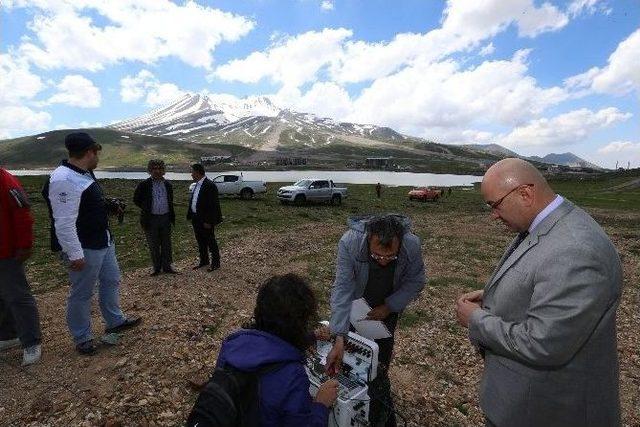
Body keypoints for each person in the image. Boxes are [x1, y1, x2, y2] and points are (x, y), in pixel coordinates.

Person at [455, 158, 622, 427]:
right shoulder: (547, 225)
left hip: (546, 411)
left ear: (525, 193)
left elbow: (545, 344)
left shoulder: (576, 250)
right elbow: (540, 281)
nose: (493, 215)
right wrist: (493, 295)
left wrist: (475, 320)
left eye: (494, 205)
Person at [43, 132, 141, 355]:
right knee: (82, 291)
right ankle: (82, 336)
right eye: (96, 152)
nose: (98, 157)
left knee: (111, 280)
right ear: (90, 152)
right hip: (84, 245)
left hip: (102, 240)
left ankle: (115, 320)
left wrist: (107, 207)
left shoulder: (83, 173)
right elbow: (63, 222)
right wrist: (74, 254)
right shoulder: (63, 179)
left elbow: (85, 206)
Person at [326, 214, 426, 426]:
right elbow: (343, 288)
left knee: (381, 353)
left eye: (390, 257)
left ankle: (377, 392)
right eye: (377, 255)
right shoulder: (349, 243)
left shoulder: (411, 245)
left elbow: (416, 280)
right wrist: (339, 336)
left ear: (399, 243)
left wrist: (390, 306)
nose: (383, 261)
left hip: (386, 308)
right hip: (355, 307)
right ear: (368, 238)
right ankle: (353, 393)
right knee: (348, 348)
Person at [213, 273, 338, 425]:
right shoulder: (292, 376)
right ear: (300, 323)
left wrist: (313, 336)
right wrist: (321, 404)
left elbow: (271, 346)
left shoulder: (231, 345)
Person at [0, 168, 42, 365]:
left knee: (17, 296)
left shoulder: (5, 180)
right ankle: (8, 335)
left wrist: (25, 245)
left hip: (5, 252)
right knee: (3, 296)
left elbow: (22, 213)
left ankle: (31, 342)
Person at [133, 159, 177, 276]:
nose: (157, 171)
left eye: (159, 169)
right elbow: (136, 200)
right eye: (154, 169)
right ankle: (156, 268)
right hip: (150, 219)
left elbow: (170, 200)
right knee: (153, 244)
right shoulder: (144, 185)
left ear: (163, 170)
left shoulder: (168, 185)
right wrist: (147, 208)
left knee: (166, 243)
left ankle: (167, 266)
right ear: (150, 170)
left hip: (165, 218)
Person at [187, 163, 222, 272]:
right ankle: (204, 261)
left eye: (192, 171)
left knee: (210, 241)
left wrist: (209, 221)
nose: (191, 174)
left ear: (197, 172)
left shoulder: (210, 185)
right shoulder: (197, 184)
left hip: (206, 220)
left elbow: (213, 206)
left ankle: (216, 263)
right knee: (200, 241)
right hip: (196, 218)